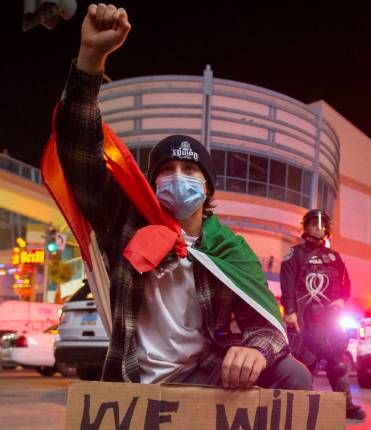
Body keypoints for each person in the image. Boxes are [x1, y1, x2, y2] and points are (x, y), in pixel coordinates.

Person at [45, 4, 311, 391]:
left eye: (190, 171)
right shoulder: (123, 224)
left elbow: (265, 327)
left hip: (203, 376)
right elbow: (78, 151)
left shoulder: (229, 250)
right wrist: (91, 58)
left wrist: (256, 349)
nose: (177, 178)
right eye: (166, 171)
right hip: (134, 381)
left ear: (207, 189)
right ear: (152, 185)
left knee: (294, 375)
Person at [280, 209, 366, 420]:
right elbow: (287, 284)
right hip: (303, 319)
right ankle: (298, 409)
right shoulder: (294, 254)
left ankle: (345, 405)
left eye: (322, 225)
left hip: (329, 319)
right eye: (313, 224)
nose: (318, 228)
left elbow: (345, 282)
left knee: (337, 362)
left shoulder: (333, 257)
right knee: (304, 363)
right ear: (305, 227)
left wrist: (341, 299)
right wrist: (290, 312)